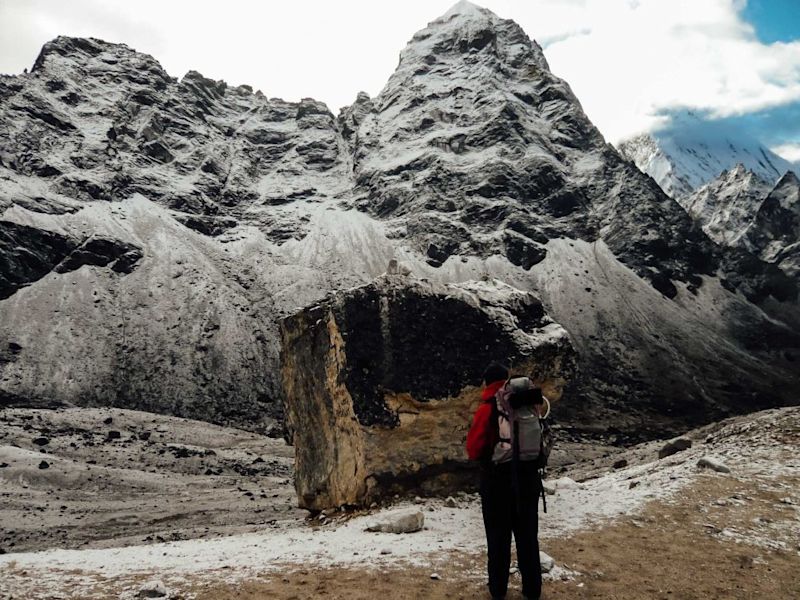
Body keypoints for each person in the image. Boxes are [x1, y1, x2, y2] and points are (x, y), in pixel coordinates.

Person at [466, 362, 543, 600]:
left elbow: (474, 448)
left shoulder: (488, 408)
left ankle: (498, 591)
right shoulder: (527, 403)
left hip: (497, 482)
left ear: (487, 382)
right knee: (528, 536)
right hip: (529, 480)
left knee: (498, 539)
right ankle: (532, 590)